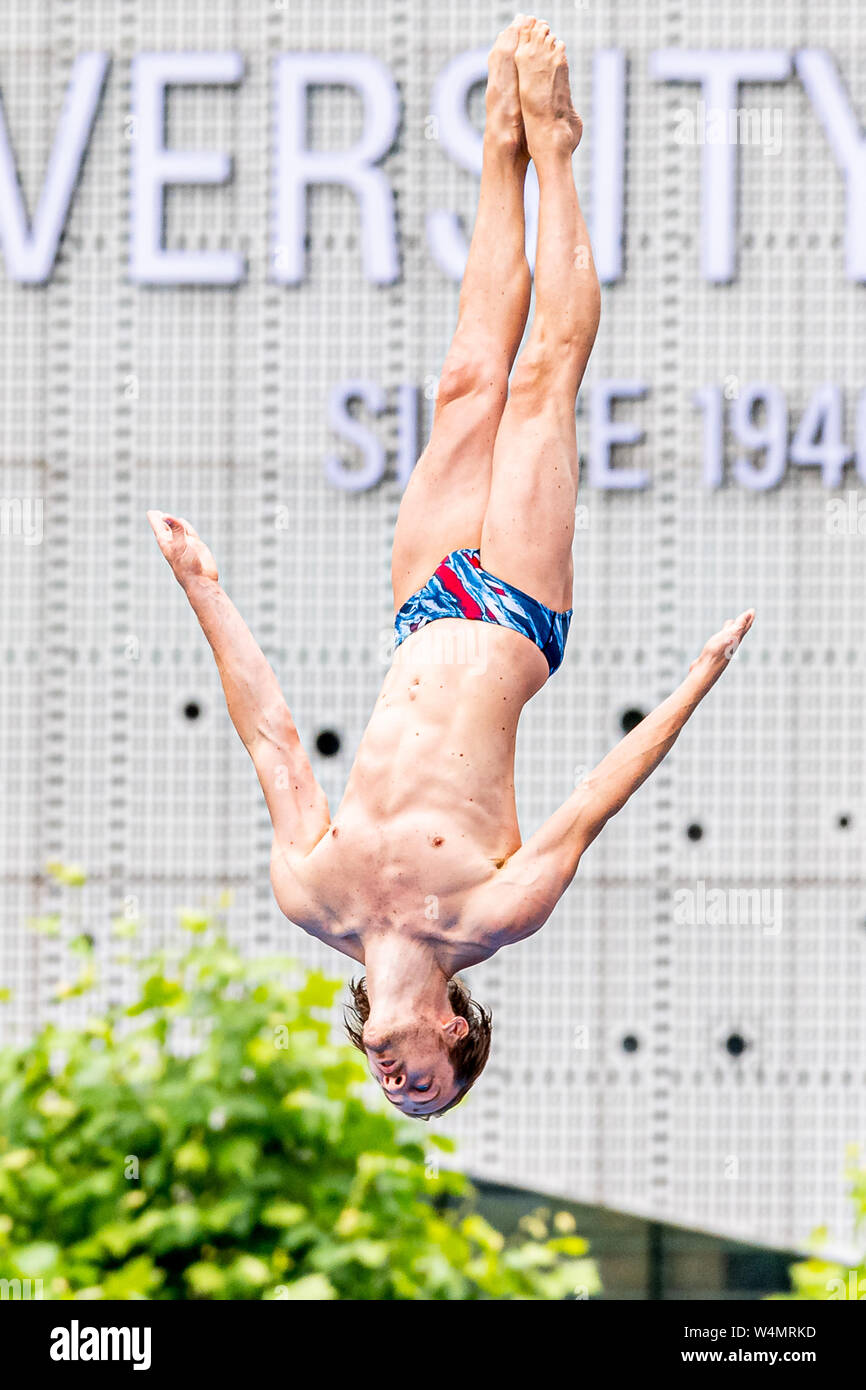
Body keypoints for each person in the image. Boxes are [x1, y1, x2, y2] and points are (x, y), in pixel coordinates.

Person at [147, 16, 754, 1119]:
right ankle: (556, 148)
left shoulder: (310, 895)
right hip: (516, 615)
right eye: (425, 1082)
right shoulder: (491, 915)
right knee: (541, 382)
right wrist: (696, 678)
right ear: (454, 1027)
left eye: (392, 1089)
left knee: (468, 379)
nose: (395, 1080)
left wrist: (205, 586)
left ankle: (498, 148)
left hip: (422, 605)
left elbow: (272, 735)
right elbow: (591, 800)